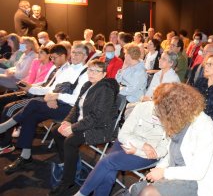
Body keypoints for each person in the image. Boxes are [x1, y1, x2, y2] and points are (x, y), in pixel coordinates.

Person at [0, 44, 89, 175]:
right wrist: (32, 89)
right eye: (74, 52)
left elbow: (78, 99)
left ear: (86, 57)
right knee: (31, 115)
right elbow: (51, 88)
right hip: (56, 103)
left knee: (34, 102)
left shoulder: (86, 73)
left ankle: (5, 126)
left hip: (71, 110)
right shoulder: (66, 70)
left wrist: (56, 96)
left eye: (79, 53)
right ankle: (25, 156)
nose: (75, 55)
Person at [134, 83, 213, 196]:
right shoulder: (179, 120)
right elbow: (170, 154)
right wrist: (159, 169)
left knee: (148, 193)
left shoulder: (204, 126)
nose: (160, 113)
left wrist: (164, 172)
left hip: (198, 182)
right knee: (136, 189)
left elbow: (198, 172)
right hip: (176, 173)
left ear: (174, 108)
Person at [48, 60, 120, 196]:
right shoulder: (87, 85)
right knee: (56, 131)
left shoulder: (106, 90)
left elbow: (97, 117)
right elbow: (76, 107)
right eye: (90, 70)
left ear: (104, 74)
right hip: (84, 123)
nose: (91, 73)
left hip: (99, 128)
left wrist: (73, 128)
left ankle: (67, 182)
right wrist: (67, 122)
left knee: (70, 140)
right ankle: (70, 166)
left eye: (96, 71)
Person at [74, 100, 169, 196]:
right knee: (108, 174)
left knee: (107, 162)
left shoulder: (174, 119)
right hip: (127, 140)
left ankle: (80, 194)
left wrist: (137, 151)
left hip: (147, 155)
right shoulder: (144, 107)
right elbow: (123, 135)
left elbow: (162, 151)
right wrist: (143, 145)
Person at [0, 44, 70, 155]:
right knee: (4, 101)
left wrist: (33, 89)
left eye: (54, 57)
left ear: (63, 56)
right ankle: (19, 150)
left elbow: (55, 90)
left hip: (45, 98)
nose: (52, 60)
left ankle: (5, 142)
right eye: (51, 57)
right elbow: (46, 84)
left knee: (10, 108)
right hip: (40, 93)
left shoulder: (68, 70)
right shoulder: (56, 68)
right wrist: (30, 86)